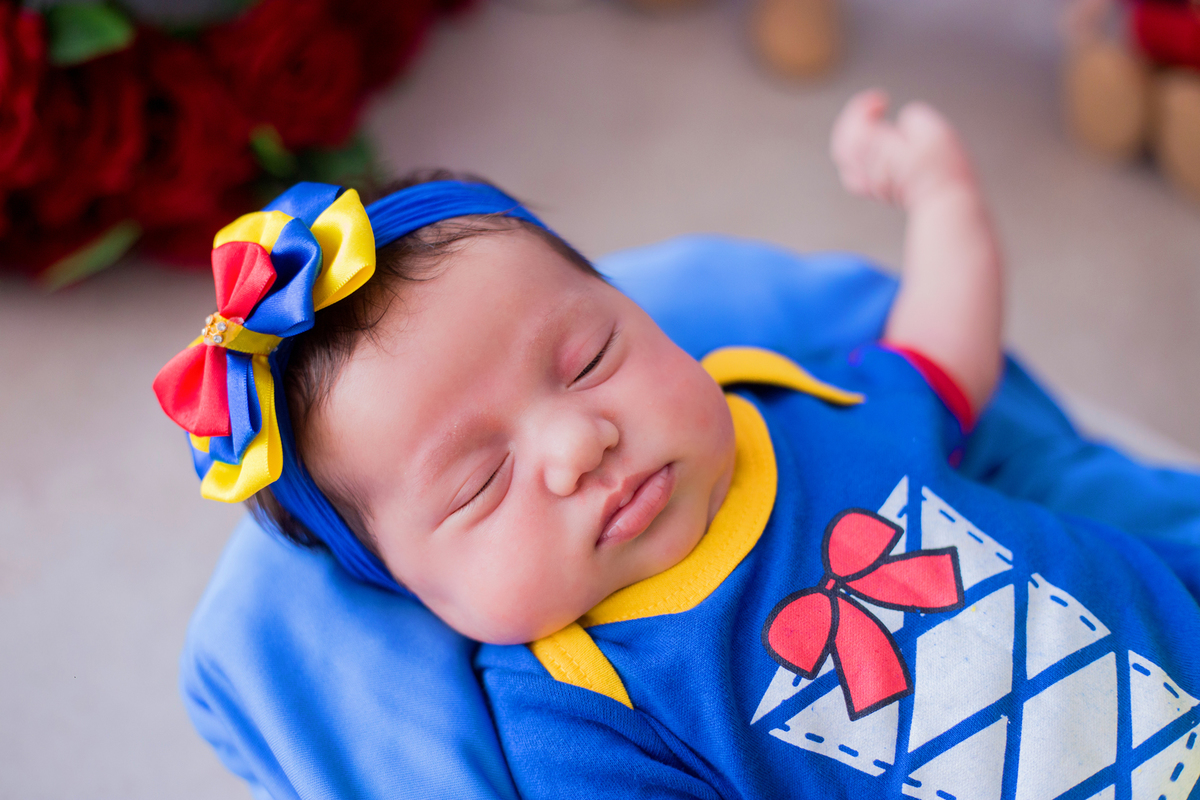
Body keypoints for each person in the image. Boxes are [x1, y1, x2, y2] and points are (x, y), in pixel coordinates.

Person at [156, 90, 1200, 799]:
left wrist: (942, 198)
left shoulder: (791, 414)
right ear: (416, 587)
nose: (579, 440)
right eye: (481, 481)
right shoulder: (573, 701)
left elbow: (942, 352)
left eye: (591, 357)